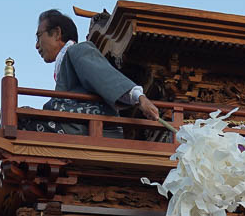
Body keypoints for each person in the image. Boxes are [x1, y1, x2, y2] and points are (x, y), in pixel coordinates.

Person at [28, 8, 161, 136]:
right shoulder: (66, 61)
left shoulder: (78, 50)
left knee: (25, 120)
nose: (37, 45)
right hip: (75, 125)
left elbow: (106, 77)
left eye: (38, 36)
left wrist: (140, 98)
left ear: (57, 33)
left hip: (84, 128)